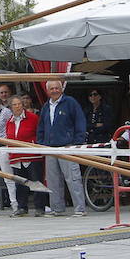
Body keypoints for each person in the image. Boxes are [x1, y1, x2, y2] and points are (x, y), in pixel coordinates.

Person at [36, 79, 87, 216]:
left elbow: (80, 122)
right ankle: (57, 208)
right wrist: (41, 142)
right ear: (47, 91)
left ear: (61, 88)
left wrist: (77, 142)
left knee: (73, 178)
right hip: (50, 148)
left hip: (67, 147)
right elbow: (41, 126)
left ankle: (80, 208)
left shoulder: (70, 103)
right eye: (51, 89)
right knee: (53, 181)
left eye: (56, 88)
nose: (54, 91)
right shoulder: (46, 106)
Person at [4, 95, 45, 216]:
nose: (17, 107)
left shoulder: (33, 118)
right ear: (10, 107)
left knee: (36, 181)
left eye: (19, 104)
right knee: (20, 183)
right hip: (16, 157)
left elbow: (39, 133)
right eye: (14, 105)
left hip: (32, 155)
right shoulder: (9, 122)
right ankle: (22, 207)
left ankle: (40, 207)